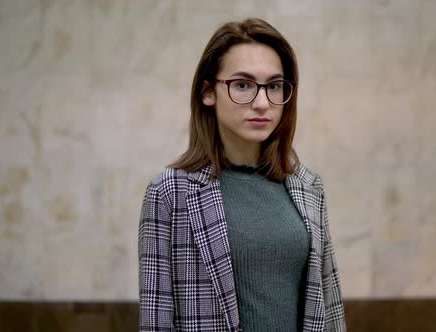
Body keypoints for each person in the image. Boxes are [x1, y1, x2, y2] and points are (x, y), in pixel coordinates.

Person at [138, 18, 345, 332]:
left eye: (274, 86)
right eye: (243, 85)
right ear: (209, 92)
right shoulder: (171, 191)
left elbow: (328, 309)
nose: (262, 103)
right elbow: (156, 320)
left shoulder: (308, 187)